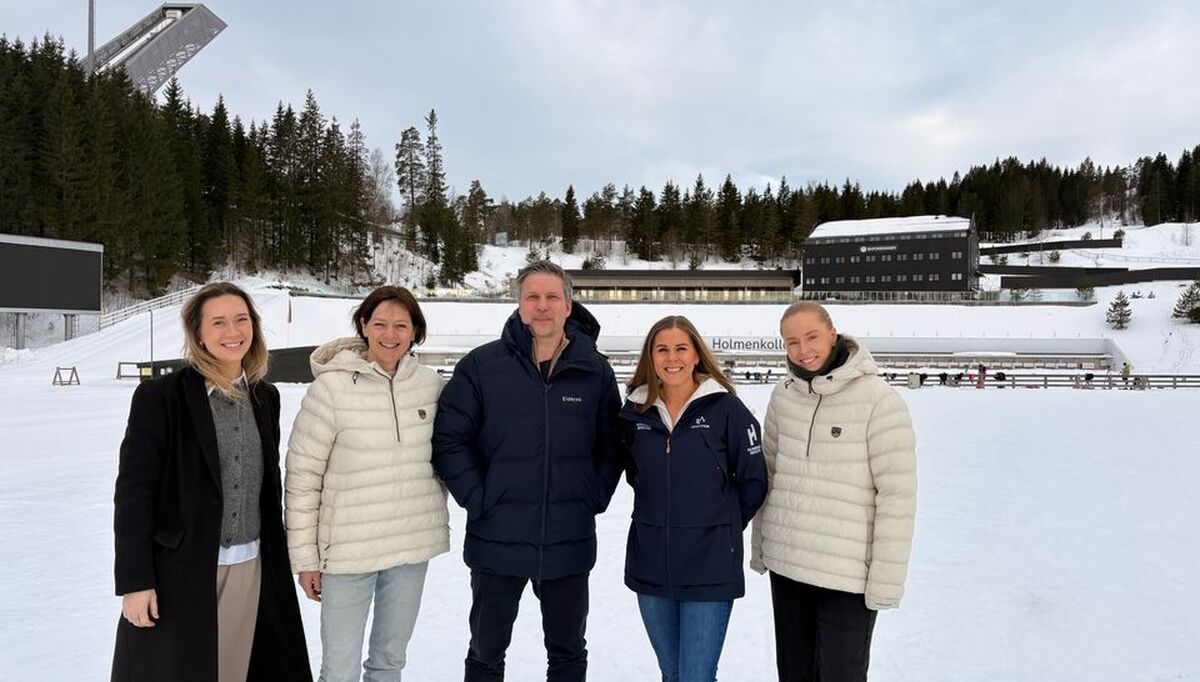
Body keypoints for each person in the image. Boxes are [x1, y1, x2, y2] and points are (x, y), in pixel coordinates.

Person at [433, 260, 621, 682]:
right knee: (485, 651)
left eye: (552, 297)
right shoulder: (481, 366)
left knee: (568, 652)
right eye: (532, 297)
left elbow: (612, 444)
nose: (542, 306)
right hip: (497, 536)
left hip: (567, 536)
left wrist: (593, 495)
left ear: (569, 306)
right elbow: (450, 439)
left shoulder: (594, 371)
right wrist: (481, 499)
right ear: (518, 305)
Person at [112, 282, 311, 682]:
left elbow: (267, 486)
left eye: (241, 320)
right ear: (198, 334)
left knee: (238, 671)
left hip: (252, 566)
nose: (232, 332)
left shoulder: (265, 397)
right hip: (181, 572)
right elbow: (135, 494)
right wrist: (136, 581)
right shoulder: (160, 397)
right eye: (218, 322)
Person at [285, 285, 448, 682]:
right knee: (339, 670)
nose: (389, 335)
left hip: (410, 547)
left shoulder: (432, 385)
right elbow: (302, 478)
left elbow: (452, 454)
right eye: (380, 324)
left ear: (415, 332)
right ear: (363, 325)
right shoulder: (330, 389)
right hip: (346, 554)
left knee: (389, 663)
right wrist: (305, 558)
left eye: (400, 325)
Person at [751, 301, 917, 682]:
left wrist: (885, 581)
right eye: (791, 342)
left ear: (832, 333)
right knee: (794, 673)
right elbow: (771, 476)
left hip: (846, 576)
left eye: (811, 337)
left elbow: (897, 498)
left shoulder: (880, 401)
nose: (803, 349)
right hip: (788, 566)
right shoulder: (783, 396)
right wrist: (762, 547)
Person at [618, 316, 767, 682]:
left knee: (695, 677)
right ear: (650, 357)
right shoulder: (634, 414)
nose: (673, 358)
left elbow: (753, 482)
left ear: (697, 354)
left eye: (681, 348)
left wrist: (719, 525)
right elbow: (637, 477)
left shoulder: (727, 410)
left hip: (709, 566)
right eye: (662, 349)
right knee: (672, 674)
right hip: (651, 564)